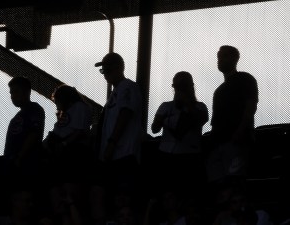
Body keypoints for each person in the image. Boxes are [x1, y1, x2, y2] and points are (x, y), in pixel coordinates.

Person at [90, 52, 144, 225]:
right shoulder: (115, 93)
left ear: (119, 68)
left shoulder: (128, 87)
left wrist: (112, 143)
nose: (105, 72)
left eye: (108, 68)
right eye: (103, 69)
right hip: (112, 156)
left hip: (124, 155)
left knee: (124, 199)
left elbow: (125, 113)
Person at [206, 45, 259, 197]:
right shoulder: (220, 90)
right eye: (218, 57)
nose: (219, 60)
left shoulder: (244, 79)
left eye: (223, 56)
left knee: (233, 183)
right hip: (221, 142)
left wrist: (240, 132)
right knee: (221, 184)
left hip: (235, 142)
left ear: (235, 58)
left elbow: (251, 106)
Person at [150, 71, 209, 197]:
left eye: (183, 87)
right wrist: (161, 119)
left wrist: (187, 104)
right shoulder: (165, 106)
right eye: (177, 87)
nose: (179, 90)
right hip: (167, 157)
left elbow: (202, 119)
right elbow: (154, 128)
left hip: (190, 157)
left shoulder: (200, 107)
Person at [42, 84, 93, 218]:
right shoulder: (65, 113)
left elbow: (80, 131)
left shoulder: (80, 108)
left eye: (57, 100)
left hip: (73, 153)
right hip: (60, 153)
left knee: (70, 191)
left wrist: (64, 144)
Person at [2, 76, 46, 188]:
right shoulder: (17, 116)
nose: (12, 96)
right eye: (11, 93)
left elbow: (34, 133)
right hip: (12, 164)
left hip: (26, 164)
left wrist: (19, 157)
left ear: (27, 91)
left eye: (16, 92)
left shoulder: (35, 109)